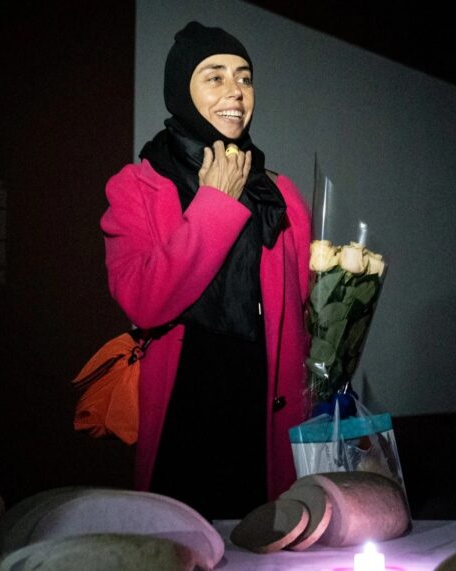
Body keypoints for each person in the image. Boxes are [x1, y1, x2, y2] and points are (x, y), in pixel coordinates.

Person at [100, 21, 311, 520]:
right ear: (182, 90)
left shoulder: (279, 193)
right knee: (180, 546)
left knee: (265, 543)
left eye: (244, 77)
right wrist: (216, 202)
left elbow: (305, 315)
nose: (236, 91)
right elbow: (143, 300)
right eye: (214, 76)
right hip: (184, 414)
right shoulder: (137, 186)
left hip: (263, 418)